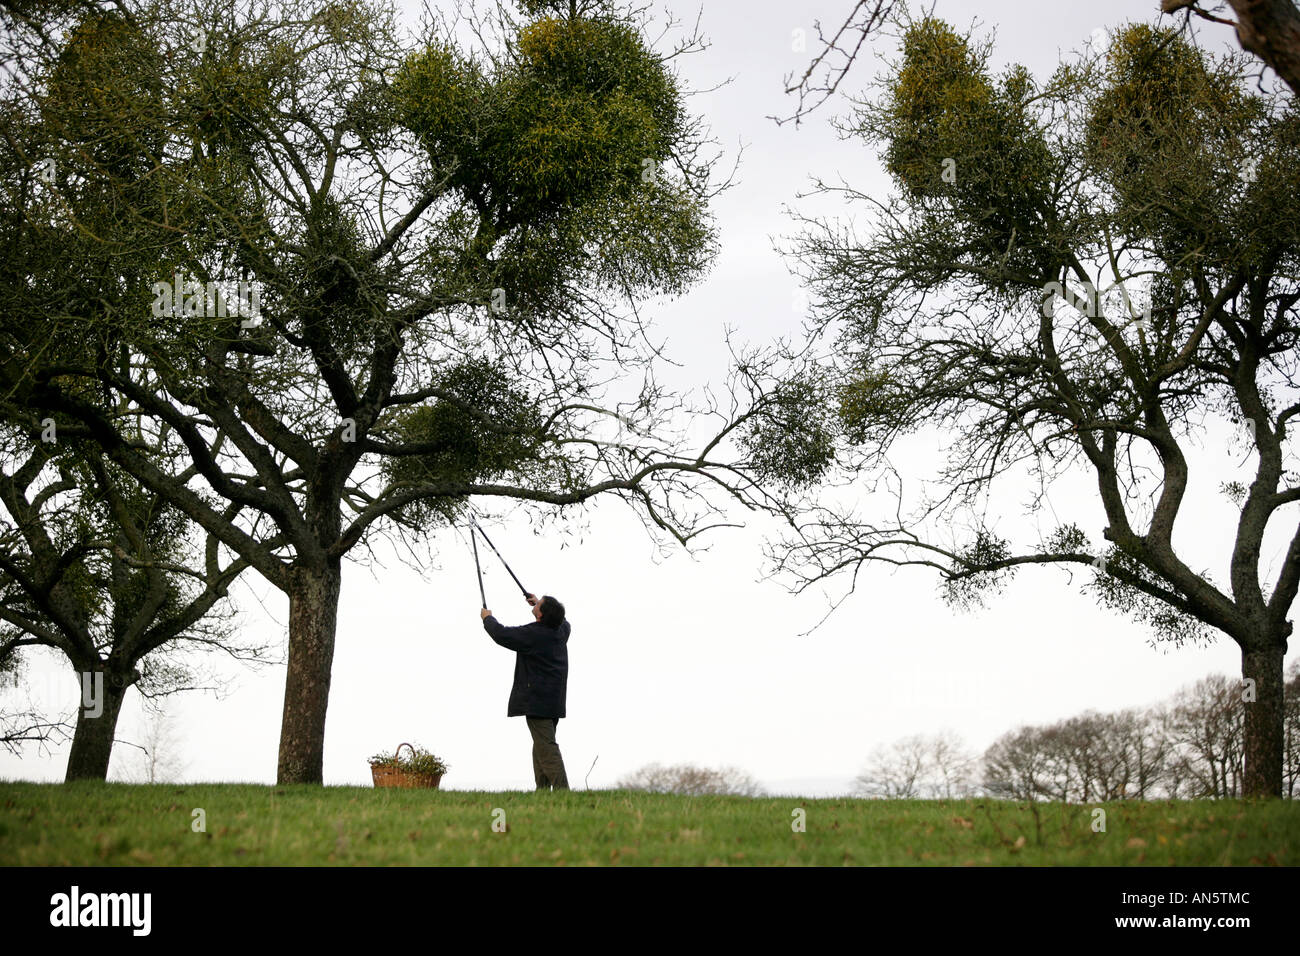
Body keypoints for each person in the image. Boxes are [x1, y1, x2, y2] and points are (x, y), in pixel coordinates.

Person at [480, 592, 571, 790]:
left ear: (540, 616)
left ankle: (563, 791)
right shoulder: (562, 630)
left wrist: (488, 618)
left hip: (538, 700)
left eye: (540, 604)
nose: (537, 603)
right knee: (542, 744)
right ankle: (543, 790)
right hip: (554, 699)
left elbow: (501, 634)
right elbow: (561, 619)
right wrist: (538, 603)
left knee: (546, 747)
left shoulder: (534, 634)